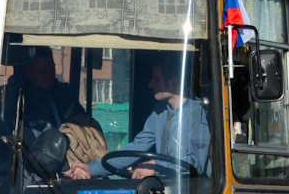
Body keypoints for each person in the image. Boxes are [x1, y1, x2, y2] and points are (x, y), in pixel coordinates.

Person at [67, 59, 211, 180]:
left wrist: (155, 166)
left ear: (173, 83)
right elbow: (137, 147)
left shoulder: (198, 114)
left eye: (156, 79)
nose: (150, 84)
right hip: (163, 191)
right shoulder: (160, 111)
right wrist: (90, 169)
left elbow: (194, 163)